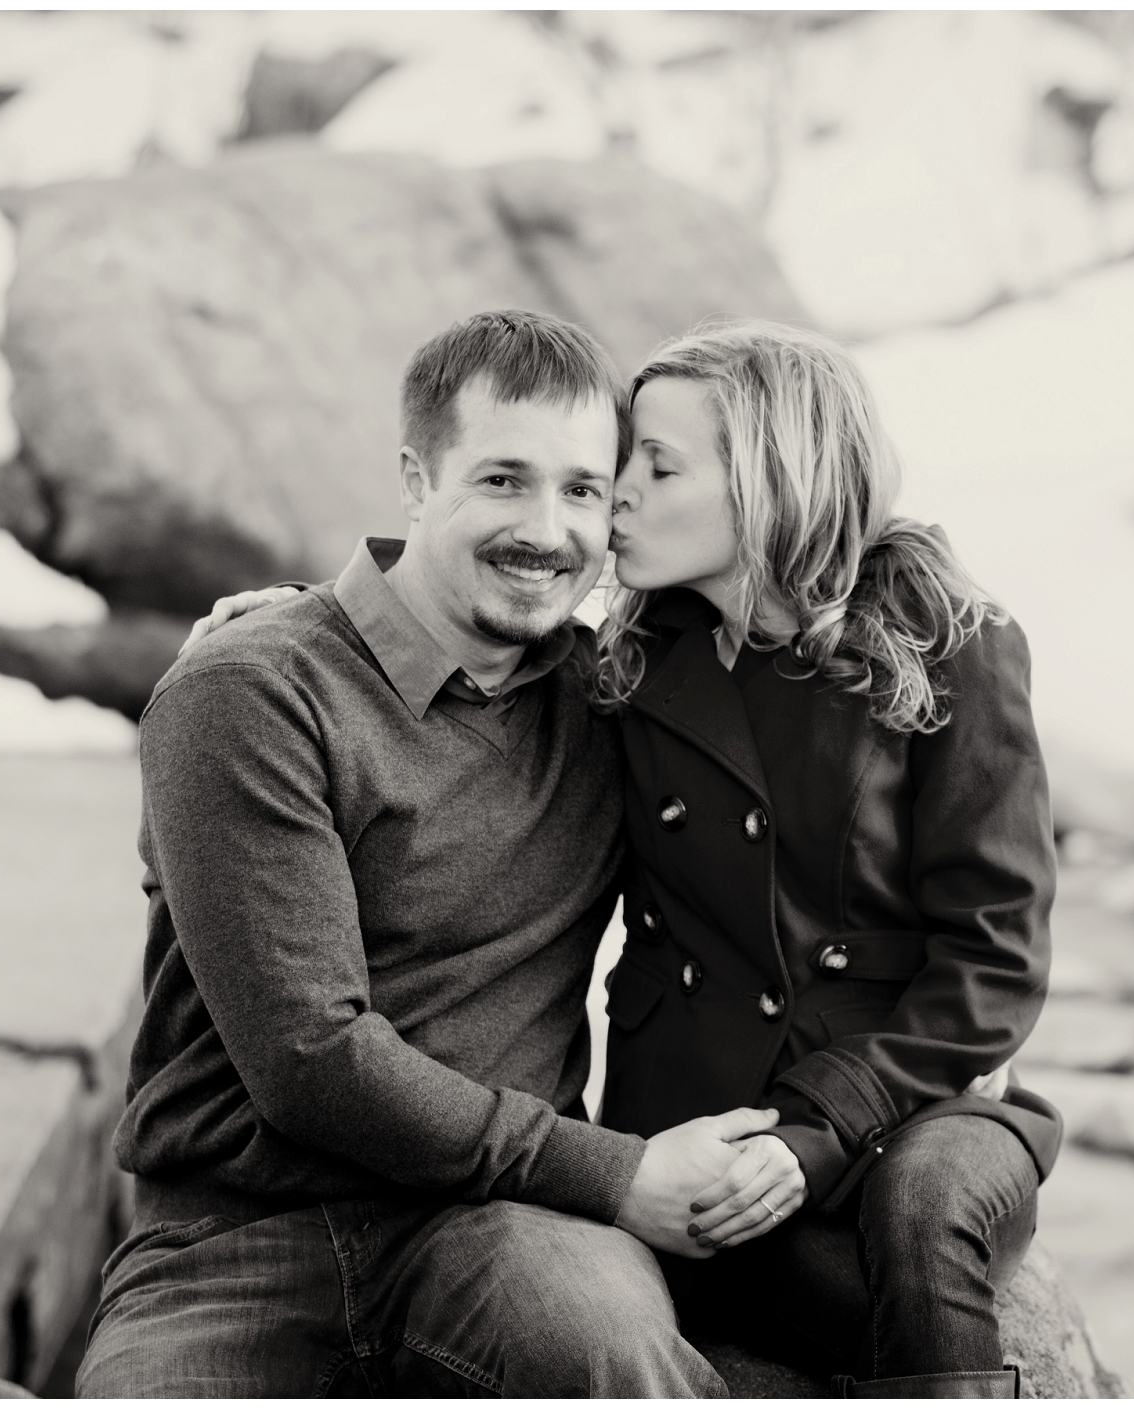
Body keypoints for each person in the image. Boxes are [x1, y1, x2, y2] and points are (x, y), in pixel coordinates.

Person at [197, 319, 1063, 1398]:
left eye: (638, 471)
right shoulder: (632, 667)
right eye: (619, 468)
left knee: (914, 1221)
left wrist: (847, 1109)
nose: (606, 509)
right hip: (661, 1128)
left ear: (767, 476)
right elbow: (450, 647)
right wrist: (295, 627)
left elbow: (995, 945)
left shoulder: (930, 644)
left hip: (848, 1114)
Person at [77, 310, 767, 1398]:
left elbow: (810, 787)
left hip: (509, 1224)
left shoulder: (616, 699)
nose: (548, 529)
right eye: (503, 479)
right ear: (415, 475)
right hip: (235, 1241)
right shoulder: (251, 692)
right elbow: (312, 1058)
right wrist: (622, 1173)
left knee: (609, 1353)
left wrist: (949, 1016)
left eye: (584, 489)